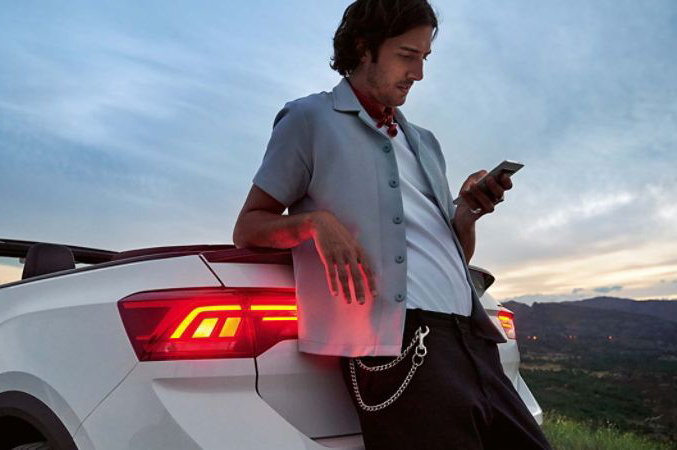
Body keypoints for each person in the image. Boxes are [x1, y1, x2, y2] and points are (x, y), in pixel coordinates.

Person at [232, 0, 552, 448]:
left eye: (424, 58)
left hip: (475, 342)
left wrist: (466, 213)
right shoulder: (309, 119)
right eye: (407, 55)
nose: (418, 73)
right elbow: (248, 227)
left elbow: (458, 255)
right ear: (364, 48)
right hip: (400, 347)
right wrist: (314, 224)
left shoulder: (425, 142)